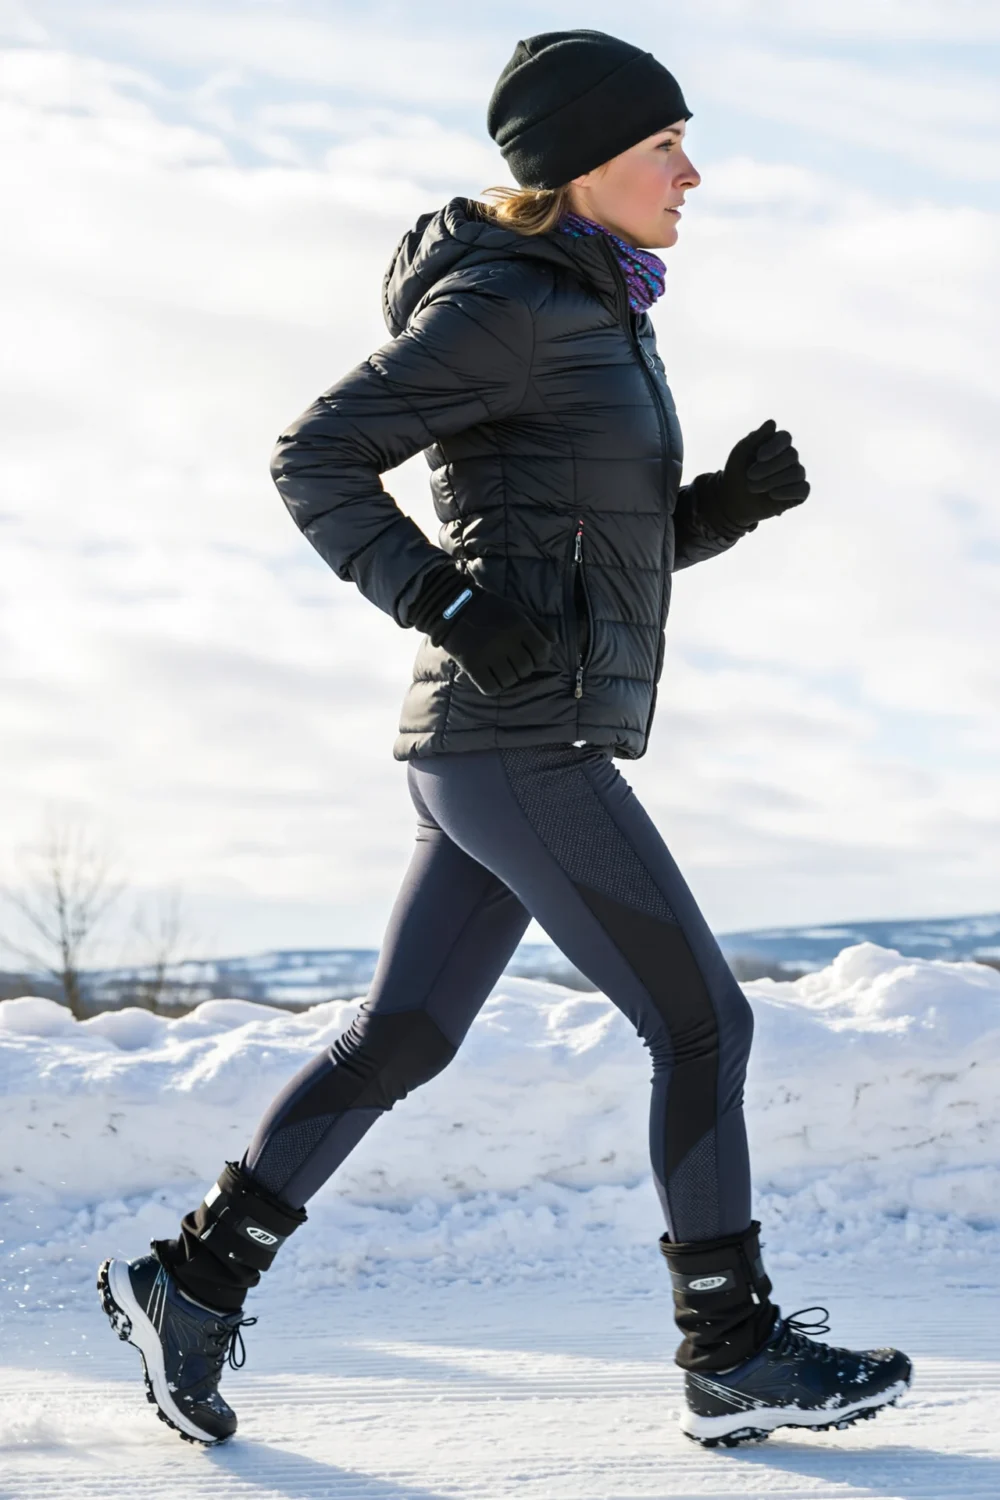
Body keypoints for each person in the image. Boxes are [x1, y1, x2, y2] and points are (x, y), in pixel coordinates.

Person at [97, 28, 911, 1450]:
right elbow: (314, 455)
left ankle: (195, 1280)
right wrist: (445, 602)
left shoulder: (600, 306)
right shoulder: (512, 302)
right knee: (704, 1022)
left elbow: (581, 549)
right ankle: (729, 1350)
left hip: (490, 742)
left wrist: (716, 511)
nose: (692, 174)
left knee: (404, 1035)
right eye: (666, 146)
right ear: (585, 162)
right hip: (516, 738)